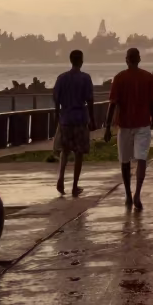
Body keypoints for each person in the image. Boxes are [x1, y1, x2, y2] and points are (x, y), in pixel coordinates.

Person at [103, 48, 153, 210]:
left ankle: (128, 194)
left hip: (124, 125)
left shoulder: (119, 78)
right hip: (142, 123)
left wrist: (107, 127)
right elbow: (152, 102)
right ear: (139, 59)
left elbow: (112, 104)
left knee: (125, 161)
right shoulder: (148, 77)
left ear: (126, 60)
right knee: (141, 159)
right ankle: (138, 194)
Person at [52, 49, 96, 196]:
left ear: (70, 60)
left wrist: (57, 115)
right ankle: (75, 186)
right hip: (80, 118)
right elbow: (89, 100)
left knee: (65, 151)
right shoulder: (85, 78)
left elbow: (56, 100)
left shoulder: (61, 78)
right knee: (79, 153)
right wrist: (92, 119)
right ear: (81, 61)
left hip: (65, 119)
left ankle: (60, 179)